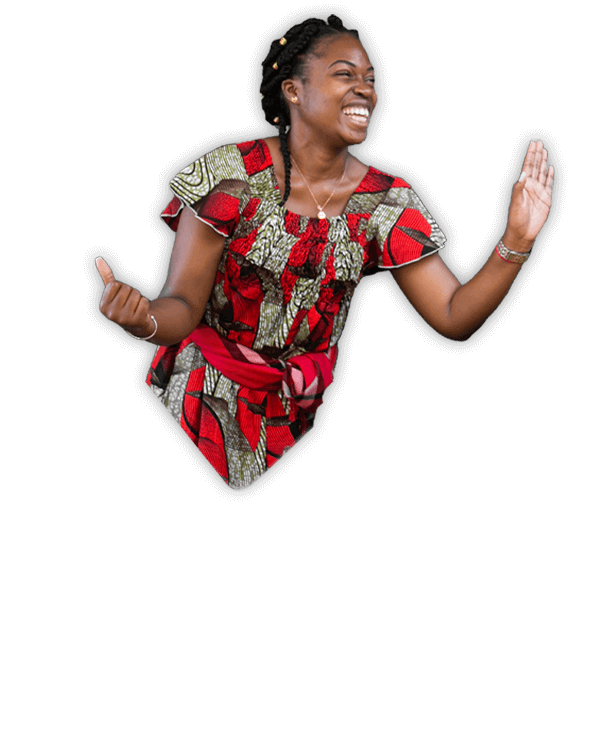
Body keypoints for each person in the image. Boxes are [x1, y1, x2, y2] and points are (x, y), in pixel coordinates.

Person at [96, 15, 554, 490]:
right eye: (345, 75)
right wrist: (144, 319)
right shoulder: (231, 176)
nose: (366, 91)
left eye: (371, 80)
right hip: (193, 404)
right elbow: (185, 308)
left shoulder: (385, 203)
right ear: (293, 91)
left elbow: (453, 316)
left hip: (294, 419)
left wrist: (516, 240)